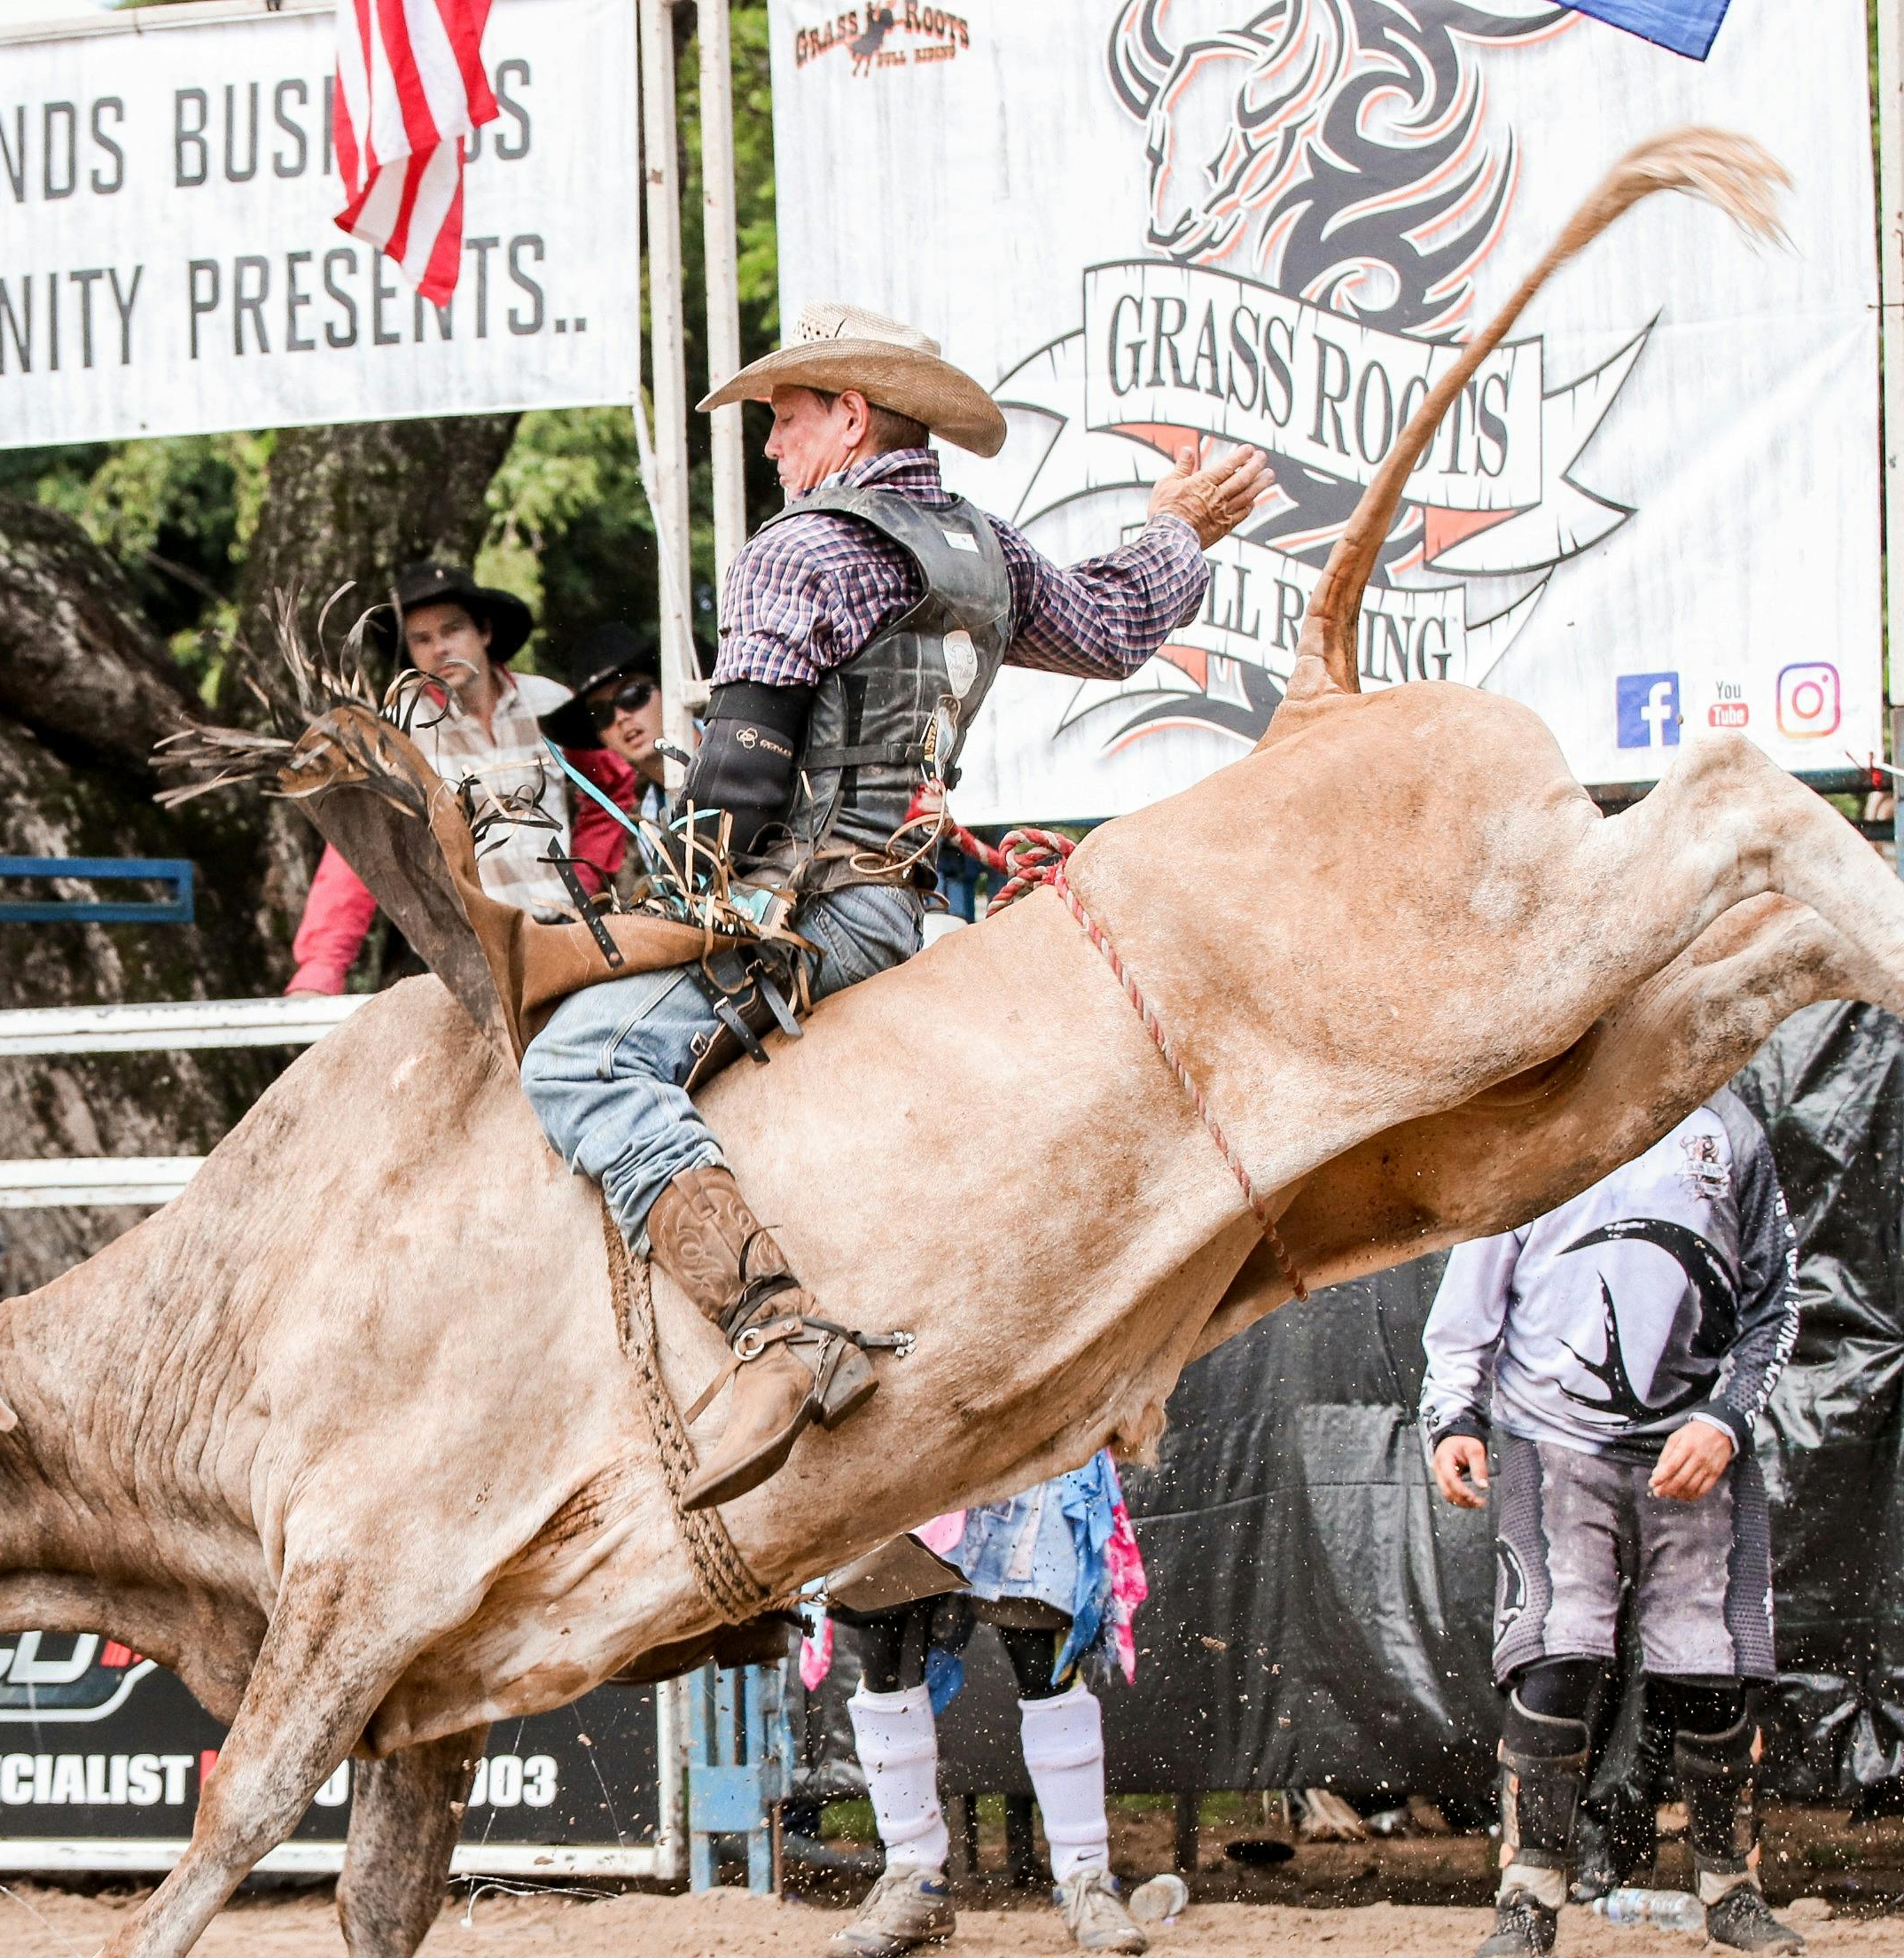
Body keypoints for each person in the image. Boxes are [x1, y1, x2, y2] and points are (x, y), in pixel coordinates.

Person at [519, 303, 1268, 1507]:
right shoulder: (979, 547)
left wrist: (647, 915)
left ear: (851, 415)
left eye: (785, 416)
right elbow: (1116, 627)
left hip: (805, 909)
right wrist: (1172, 532)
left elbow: (744, 784)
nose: (771, 446)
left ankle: (775, 1327)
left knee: (579, 1068)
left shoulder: (798, 548)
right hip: (904, 914)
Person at [1422, 1098, 1806, 1958]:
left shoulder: (1731, 1131)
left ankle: (1731, 1892)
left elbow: (1775, 1305)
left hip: (1695, 1451)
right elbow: (1468, 1293)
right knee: (1556, 1661)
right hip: (1553, 1447)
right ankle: (1527, 1898)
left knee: (1712, 1676)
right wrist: (1454, 1418)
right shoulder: (1530, 1120)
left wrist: (1726, 1419)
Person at [825, 1454, 1146, 1958]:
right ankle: (912, 1876)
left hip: (1023, 1425)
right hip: (894, 1436)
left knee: (1043, 1642)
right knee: (884, 1630)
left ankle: (1087, 1877)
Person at [285, 562, 631, 996]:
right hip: (474, 956)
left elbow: (613, 790)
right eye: (422, 639)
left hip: (566, 936)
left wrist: (584, 882)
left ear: (483, 632)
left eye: (452, 631)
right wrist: (321, 969)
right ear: (409, 650)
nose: (440, 649)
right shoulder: (399, 732)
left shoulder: (549, 703)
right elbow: (361, 847)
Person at [538, 621, 680, 801]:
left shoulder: (726, 750)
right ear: (600, 736)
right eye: (601, 714)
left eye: (632, 695)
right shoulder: (653, 813)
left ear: (664, 690)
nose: (621, 717)